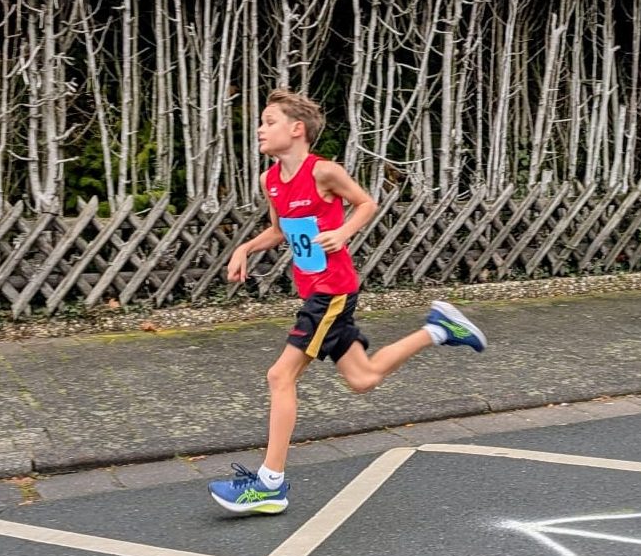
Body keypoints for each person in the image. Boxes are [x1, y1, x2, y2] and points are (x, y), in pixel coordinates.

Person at [208, 89, 487, 515]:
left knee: (280, 376)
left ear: (296, 129)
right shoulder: (270, 181)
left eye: (269, 121)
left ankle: (270, 484)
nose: (260, 129)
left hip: (332, 289)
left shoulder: (324, 172)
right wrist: (245, 248)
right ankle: (438, 329)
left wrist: (342, 233)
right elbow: (280, 231)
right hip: (314, 290)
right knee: (363, 378)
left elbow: (365, 203)